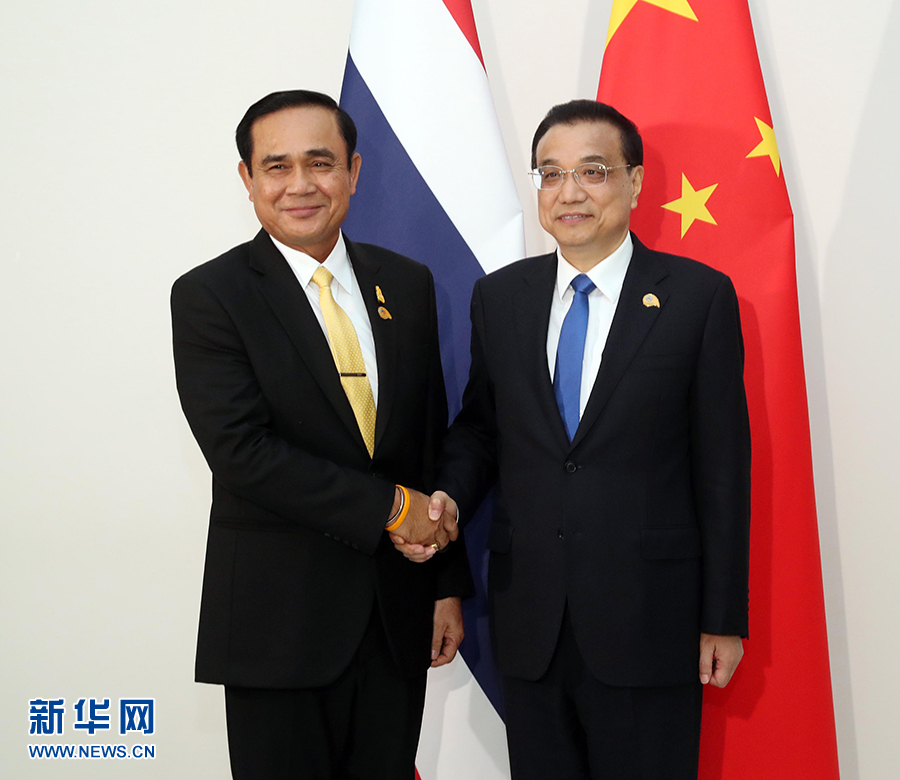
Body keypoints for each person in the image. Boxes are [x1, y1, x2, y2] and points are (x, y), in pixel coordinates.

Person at [396, 100, 751, 779]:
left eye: (592, 171)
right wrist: (447, 498)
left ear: (634, 181)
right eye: (551, 174)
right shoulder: (501, 298)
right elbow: (483, 428)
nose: (569, 192)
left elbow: (723, 468)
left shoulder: (697, 298)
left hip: (651, 620)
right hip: (532, 619)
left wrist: (723, 615)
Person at [171, 90, 468, 780]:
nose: (300, 184)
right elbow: (242, 453)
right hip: (279, 629)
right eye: (276, 166)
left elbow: (426, 439)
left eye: (321, 162)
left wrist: (444, 585)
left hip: (396, 619)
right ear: (247, 179)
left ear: (353, 172)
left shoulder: (408, 284)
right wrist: (391, 509)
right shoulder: (211, 295)